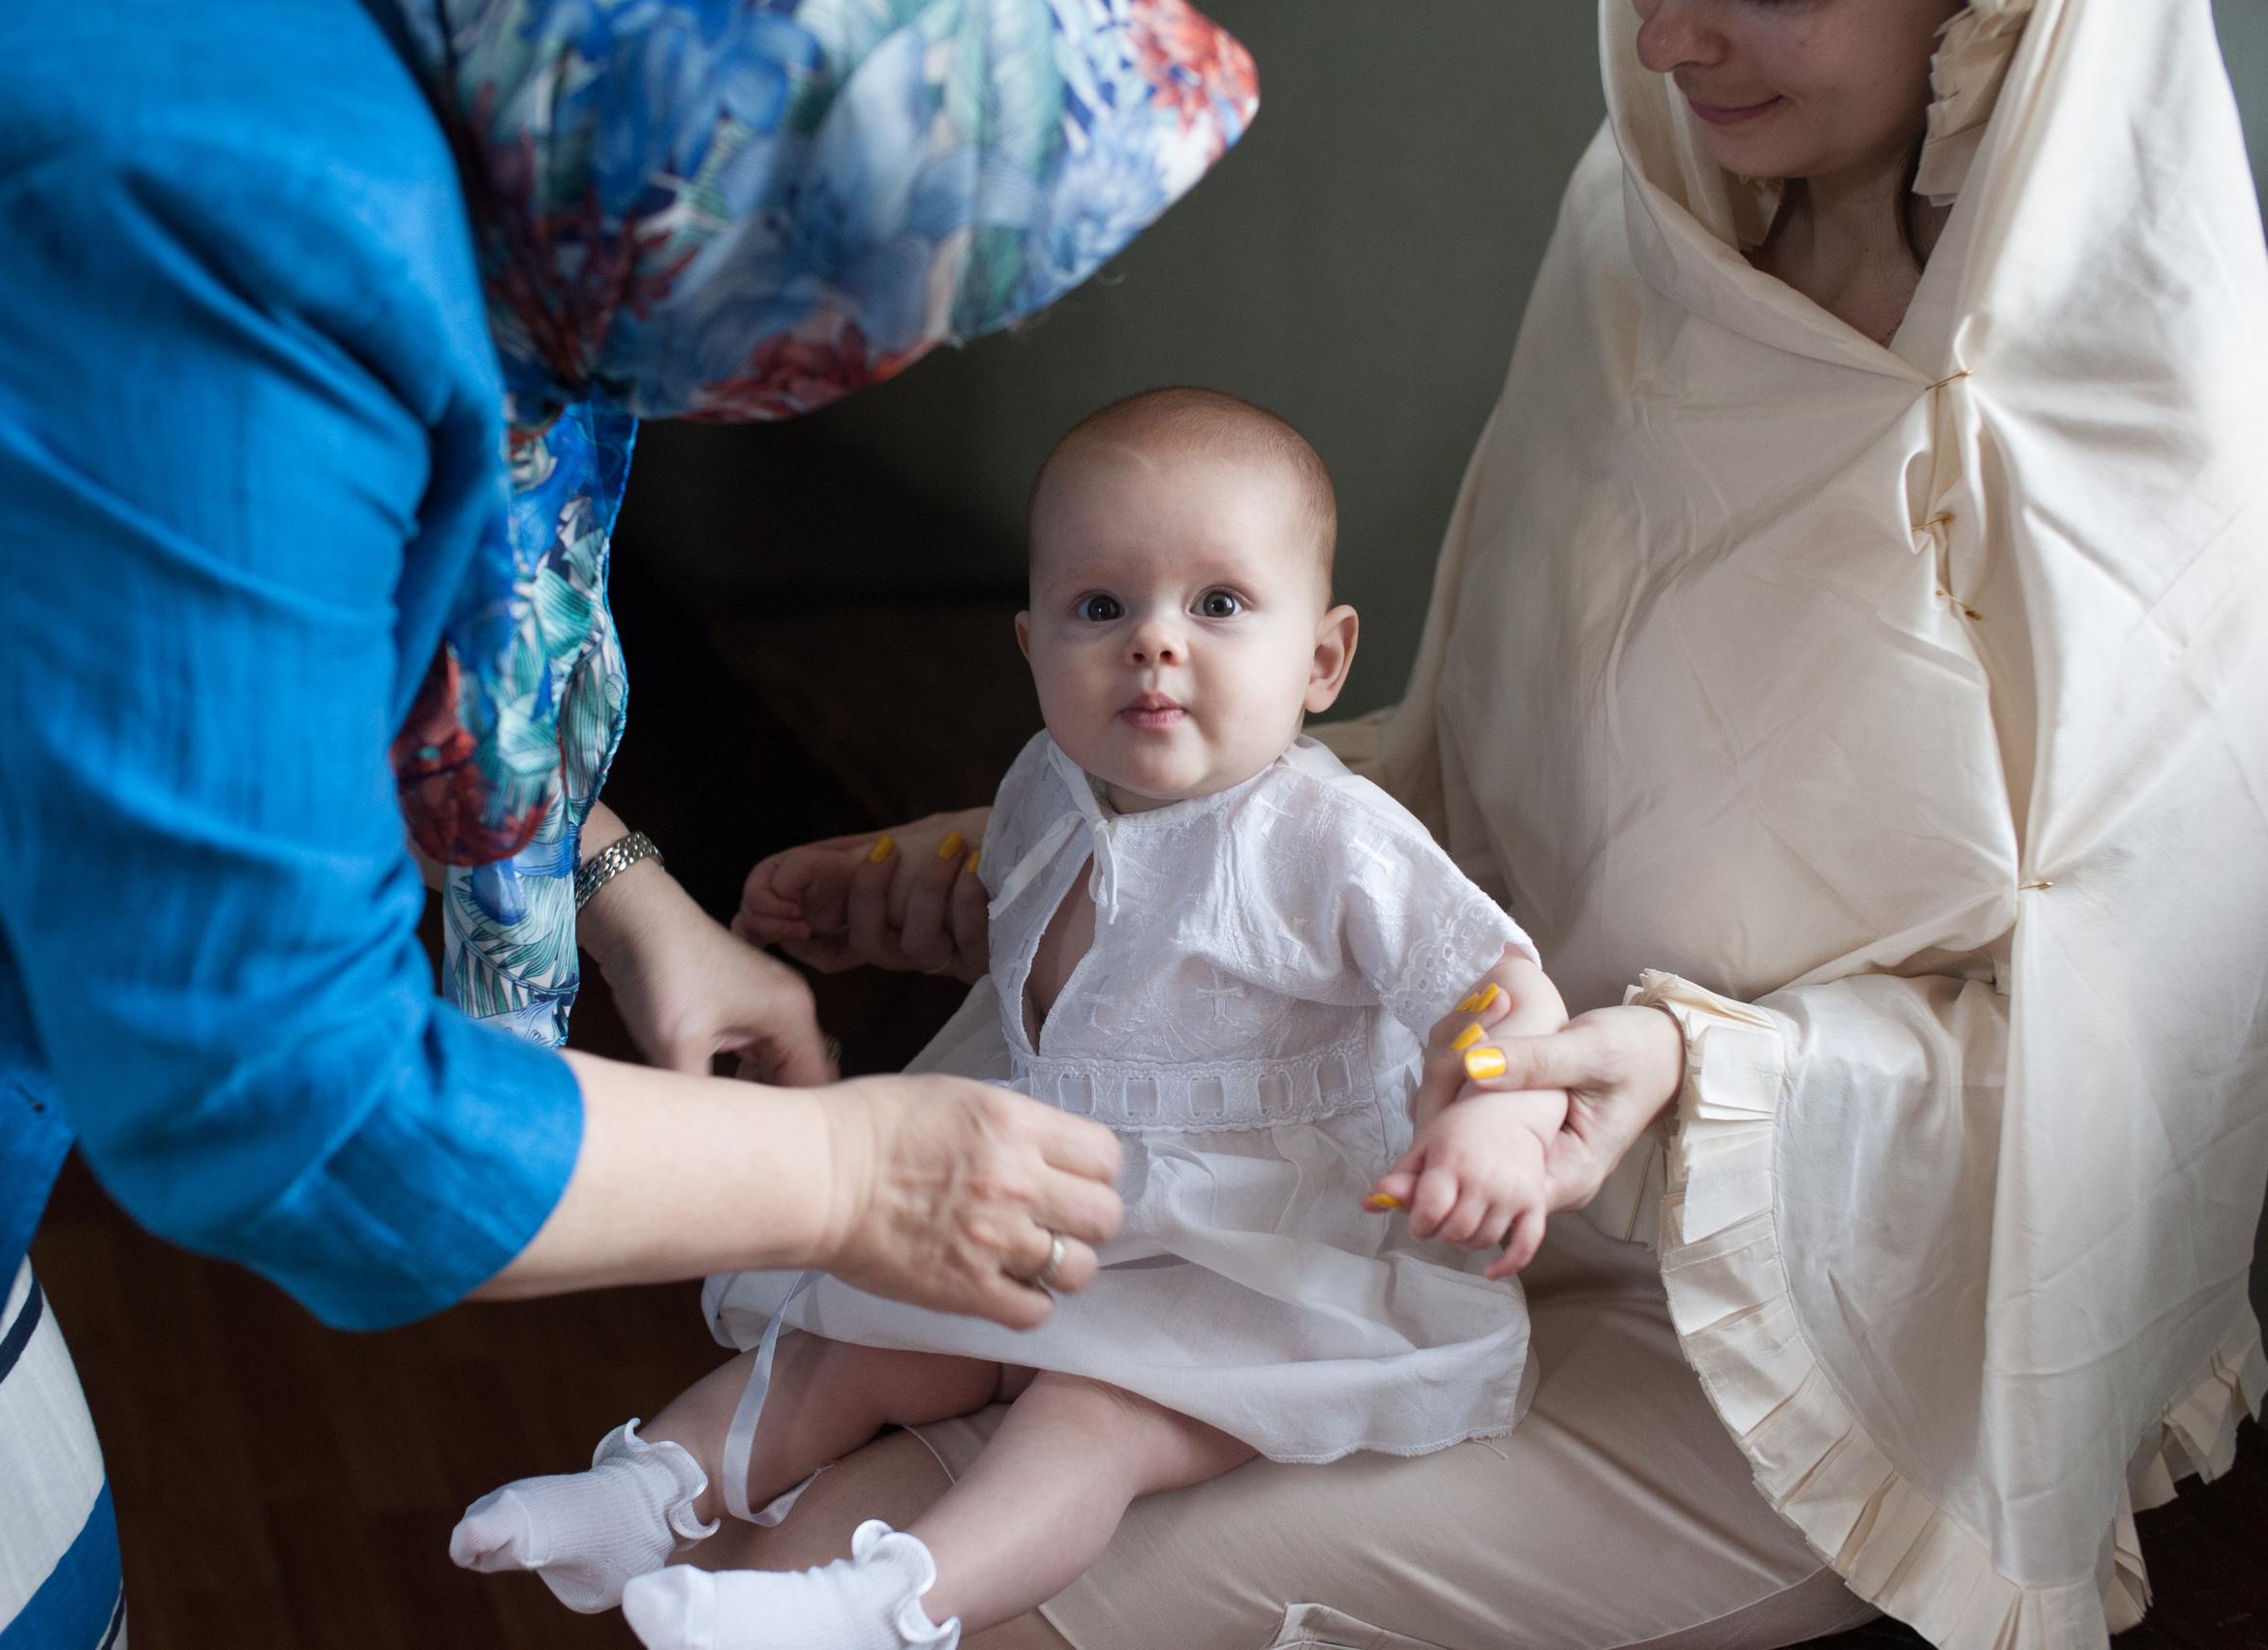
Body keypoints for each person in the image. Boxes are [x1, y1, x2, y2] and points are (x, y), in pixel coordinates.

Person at [711, 2, 2268, 1648]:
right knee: (779, 1547)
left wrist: (1685, 1072)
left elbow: (2138, 1072)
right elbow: (1480, 774)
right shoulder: (1648, 245)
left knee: (946, 1614)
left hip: (1795, 1313)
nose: (1667, 43)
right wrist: (1089, 852)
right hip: (1382, 1181)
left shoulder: (2115, 419)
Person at [0, 1, 1258, 1644]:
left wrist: (616, 880)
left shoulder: (491, 110)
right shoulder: (220, 220)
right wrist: (857, 1177)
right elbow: (284, 1099)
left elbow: (240, 651)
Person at [447, 389, 1573, 1648]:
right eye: (1104, 607)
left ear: (1320, 658)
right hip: (1060, 1191)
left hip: (1254, 1249)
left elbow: (1494, 990)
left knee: (1090, 1423)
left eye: (1217, 605)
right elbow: (1055, 929)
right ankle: (651, 1489)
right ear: (1033, 646)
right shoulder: (1050, 783)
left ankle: (881, 1602)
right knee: (860, 1340)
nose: (1154, 642)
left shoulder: (1332, 838)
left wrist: (1499, 1128)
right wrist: (874, 875)